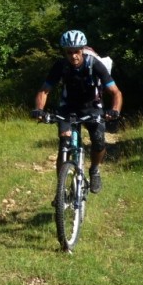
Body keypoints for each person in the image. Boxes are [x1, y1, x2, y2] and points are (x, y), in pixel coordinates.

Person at [31, 29, 122, 194]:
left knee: (99, 140)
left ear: (82, 50)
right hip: (68, 107)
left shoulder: (94, 64)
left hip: (92, 106)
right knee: (64, 143)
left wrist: (114, 110)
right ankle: (61, 190)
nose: (73, 56)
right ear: (65, 52)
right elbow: (44, 90)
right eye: (69, 52)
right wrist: (39, 110)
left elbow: (116, 92)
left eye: (77, 51)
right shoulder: (61, 66)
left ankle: (94, 169)